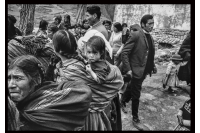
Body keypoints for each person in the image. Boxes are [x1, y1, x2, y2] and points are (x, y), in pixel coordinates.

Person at [51, 30, 124, 130]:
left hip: (82, 119)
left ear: (56, 50)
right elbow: (115, 75)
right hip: (94, 117)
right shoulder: (82, 61)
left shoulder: (69, 71)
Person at [8, 55, 92, 131]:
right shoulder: (14, 107)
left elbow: (83, 91)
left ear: (36, 80)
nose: (10, 85)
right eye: (8, 78)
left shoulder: (39, 111)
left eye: (18, 78)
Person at [120, 14, 157, 130]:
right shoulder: (136, 35)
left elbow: (149, 54)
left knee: (132, 88)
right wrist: (129, 70)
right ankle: (135, 118)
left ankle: (122, 100)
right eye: (149, 23)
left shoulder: (150, 37)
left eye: (153, 23)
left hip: (144, 70)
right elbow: (124, 53)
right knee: (136, 94)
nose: (152, 26)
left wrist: (153, 65)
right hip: (135, 71)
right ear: (142, 24)